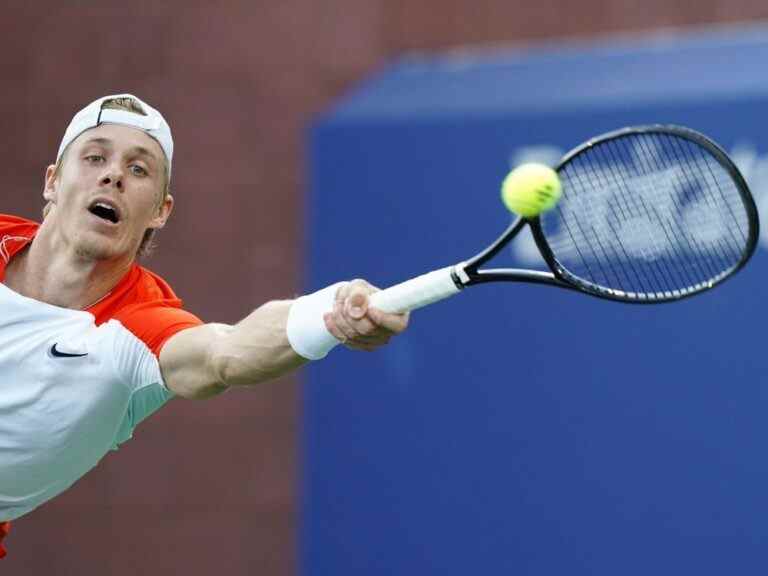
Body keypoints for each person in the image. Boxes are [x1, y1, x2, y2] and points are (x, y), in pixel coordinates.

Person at [0, 94, 409, 559]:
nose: (112, 174)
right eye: (94, 157)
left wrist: (329, 315)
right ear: (53, 181)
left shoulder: (138, 327)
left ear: (160, 210)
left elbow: (227, 353)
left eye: (139, 170)